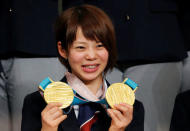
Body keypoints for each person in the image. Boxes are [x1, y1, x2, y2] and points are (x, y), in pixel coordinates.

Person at [21, 4, 144, 131]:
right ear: (62, 49)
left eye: (100, 46)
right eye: (81, 47)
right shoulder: (37, 103)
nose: (91, 56)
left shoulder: (130, 108)